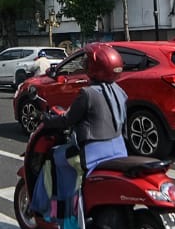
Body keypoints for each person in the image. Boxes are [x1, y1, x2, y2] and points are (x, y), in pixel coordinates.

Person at [43, 43, 129, 174]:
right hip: (120, 151)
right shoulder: (120, 92)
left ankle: (71, 194)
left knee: (55, 156)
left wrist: (47, 120)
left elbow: (67, 120)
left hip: (93, 155)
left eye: (87, 62)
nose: (84, 64)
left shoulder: (87, 93)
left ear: (94, 67)